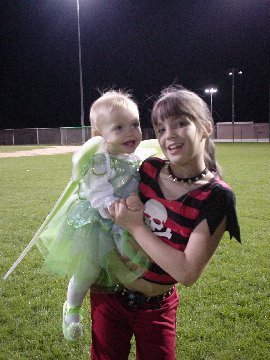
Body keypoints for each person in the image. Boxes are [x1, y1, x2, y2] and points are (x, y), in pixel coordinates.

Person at [90, 85, 241, 360]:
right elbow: (104, 160)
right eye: (160, 129)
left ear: (206, 128)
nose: (169, 135)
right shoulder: (147, 169)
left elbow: (187, 272)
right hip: (109, 294)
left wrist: (135, 227)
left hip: (156, 307)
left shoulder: (217, 197)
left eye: (180, 123)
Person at [35, 90, 155, 342]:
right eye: (119, 128)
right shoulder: (100, 161)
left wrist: (136, 205)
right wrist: (119, 212)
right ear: (101, 135)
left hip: (126, 218)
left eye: (135, 124)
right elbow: (100, 196)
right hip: (99, 221)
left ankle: (132, 304)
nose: (131, 132)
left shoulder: (138, 157)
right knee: (88, 269)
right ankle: (72, 308)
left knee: (132, 259)